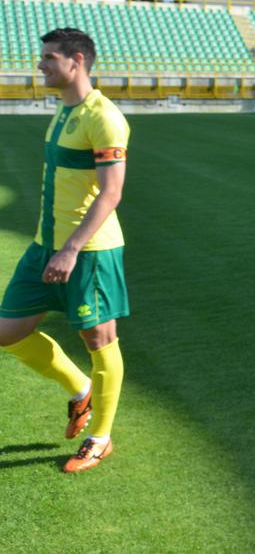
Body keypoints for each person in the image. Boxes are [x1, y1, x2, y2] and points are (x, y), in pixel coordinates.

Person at [0, 28, 129, 473]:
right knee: (6, 332)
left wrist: (72, 249)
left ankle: (100, 437)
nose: (41, 65)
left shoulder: (104, 117)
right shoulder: (62, 110)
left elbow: (111, 193)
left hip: (89, 251)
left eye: (49, 58)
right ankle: (80, 391)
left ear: (76, 61)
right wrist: (54, 247)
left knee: (98, 338)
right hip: (44, 246)